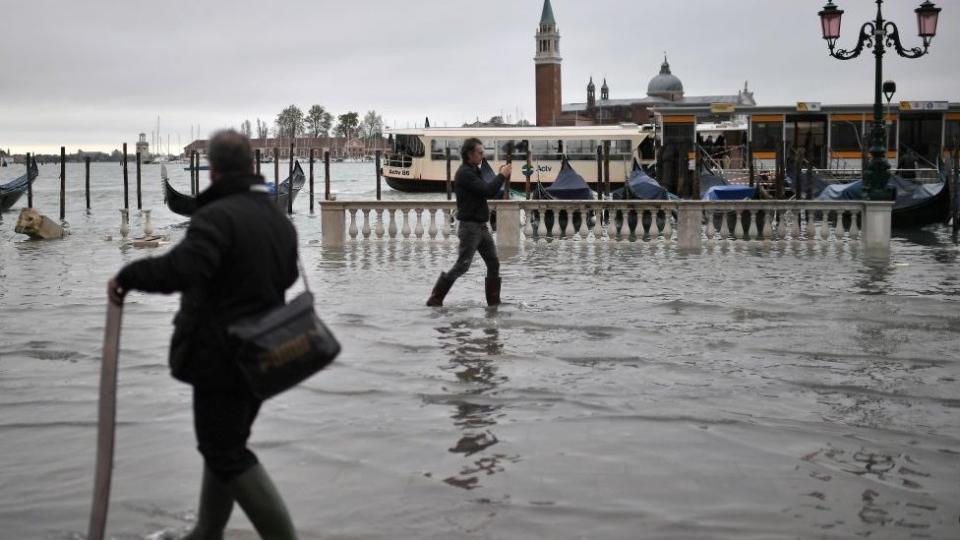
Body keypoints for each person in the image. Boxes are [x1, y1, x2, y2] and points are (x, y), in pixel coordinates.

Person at [108, 130, 300, 539]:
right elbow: (286, 275)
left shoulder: (216, 216)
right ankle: (205, 533)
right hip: (264, 354)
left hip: (221, 357)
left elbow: (182, 269)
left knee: (225, 451)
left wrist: (128, 275)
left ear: (211, 170)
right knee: (225, 446)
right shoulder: (275, 218)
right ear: (252, 165)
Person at [426, 138, 511, 307]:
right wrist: (501, 175)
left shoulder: (473, 171)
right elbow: (487, 191)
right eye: (480, 153)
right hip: (470, 228)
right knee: (462, 265)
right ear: (469, 154)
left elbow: (486, 190)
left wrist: (500, 176)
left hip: (481, 227)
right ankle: (435, 298)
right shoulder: (465, 173)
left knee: (493, 263)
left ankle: (494, 303)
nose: (482, 156)